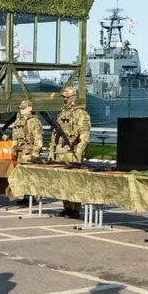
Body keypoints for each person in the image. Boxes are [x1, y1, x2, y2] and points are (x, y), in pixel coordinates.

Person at [48, 85, 91, 216]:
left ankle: (75, 208)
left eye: (66, 98)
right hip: (61, 151)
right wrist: (52, 150)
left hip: (72, 152)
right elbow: (55, 134)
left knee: (73, 182)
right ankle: (66, 206)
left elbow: (84, 135)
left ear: (73, 98)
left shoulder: (81, 114)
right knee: (62, 181)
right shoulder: (61, 114)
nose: (64, 100)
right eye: (63, 98)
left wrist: (78, 152)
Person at [10, 99, 43, 164]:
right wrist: (13, 149)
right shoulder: (18, 121)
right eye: (21, 108)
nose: (21, 110)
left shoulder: (33, 121)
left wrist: (35, 154)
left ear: (30, 108)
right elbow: (14, 136)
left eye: (24, 108)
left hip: (29, 154)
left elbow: (38, 139)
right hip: (19, 153)